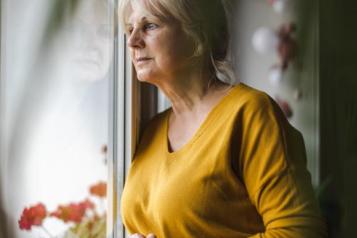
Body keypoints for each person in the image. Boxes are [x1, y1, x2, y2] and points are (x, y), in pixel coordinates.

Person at [119, 0, 327, 237]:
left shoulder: (249, 113)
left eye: (150, 26)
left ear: (197, 32)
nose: (132, 41)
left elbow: (301, 232)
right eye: (129, 28)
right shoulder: (150, 130)